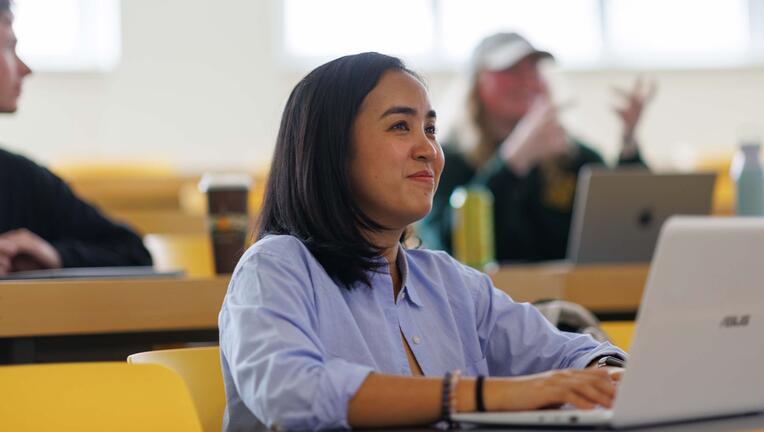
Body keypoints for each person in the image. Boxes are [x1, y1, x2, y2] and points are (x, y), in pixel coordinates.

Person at [219, 52, 626, 431]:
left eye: (430, 129)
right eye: (400, 126)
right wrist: (484, 394)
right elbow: (294, 395)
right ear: (331, 149)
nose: (429, 150)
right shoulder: (273, 267)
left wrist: (608, 372)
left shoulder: (449, 281)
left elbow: (566, 352)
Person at [419, 32, 655, 262]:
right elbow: (445, 242)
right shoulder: (446, 159)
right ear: (478, 82)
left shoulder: (573, 157)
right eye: (511, 71)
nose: (527, 80)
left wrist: (629, 144)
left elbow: (621, 223)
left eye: (533, 69)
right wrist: (512, 162)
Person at [0, 0, 152, 274]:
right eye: (9, 47)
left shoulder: (20, 179)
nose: (25, 69)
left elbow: (133, 253)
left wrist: (53, 255)